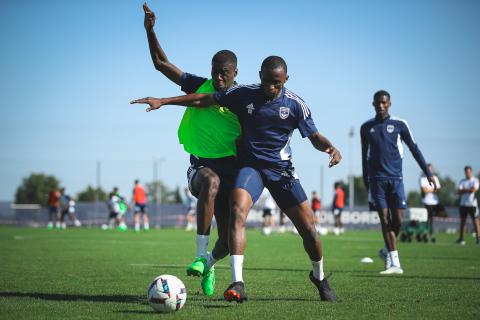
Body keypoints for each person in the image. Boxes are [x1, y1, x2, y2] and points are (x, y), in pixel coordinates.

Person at [131, 55, 342, 302]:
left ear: (286, 79)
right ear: (259, 75)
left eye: (276, 83)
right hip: (251, 169)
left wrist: (331, 148)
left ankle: (318, 276)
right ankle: (237, 283)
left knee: (309, 231)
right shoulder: (245, 94)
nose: (270, 88)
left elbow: (314, 136)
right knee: (237, 211)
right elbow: (205, 99)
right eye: (266, 81)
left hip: (281, 171)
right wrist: (164, 101)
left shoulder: (296, 105)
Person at [142, 3, 240, 296]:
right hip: (201, 167)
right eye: (215, 73)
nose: (218, 78)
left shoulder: (243, 98)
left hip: (232, 172)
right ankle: (199, 254)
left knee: (228, 240)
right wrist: (150, 32)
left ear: (235, 72)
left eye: (224, 73)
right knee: (209, 180)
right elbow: (162, 64)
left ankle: (209, 263)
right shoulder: (201, 85)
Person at [360, 90, 437, 275]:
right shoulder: (366, 127)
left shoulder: (400, 124)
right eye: (378, 102)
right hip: (377, 181)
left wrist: (427, 173)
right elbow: (364, 157)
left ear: (389, 104)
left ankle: (386, 251)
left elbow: (414, 149)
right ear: (373, 104)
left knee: (399, 221)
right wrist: (366, 181)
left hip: (396, 180)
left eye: (384, 102)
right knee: (385, 220)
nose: (381, 105)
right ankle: (394, 262)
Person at [456, 166, 480, 245]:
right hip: (463, 204)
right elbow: (459, 191)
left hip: (472, 204)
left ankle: (478, 238)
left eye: (468, 172)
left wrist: (464, 190)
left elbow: (473, 190)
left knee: (475, 221)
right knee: (463, 222)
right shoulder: (462, 181)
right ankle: (461, 239)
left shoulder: (475, 180)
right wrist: (468, 190)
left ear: (471, 172)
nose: (467, 173)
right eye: (466, 172)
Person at [419, 164, 441, 243]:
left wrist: (428, 189)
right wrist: (432, 189)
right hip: (426, 202)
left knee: (431, 219)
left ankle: (430, 235)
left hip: (435, 202)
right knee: (426, 220)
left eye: (430, 169)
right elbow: (424, 190)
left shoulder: (435, 178)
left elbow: (438, 190)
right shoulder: (422, 178)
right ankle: (426, 235)